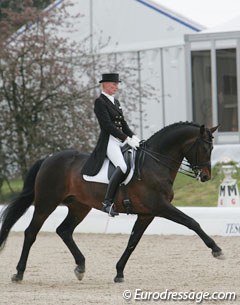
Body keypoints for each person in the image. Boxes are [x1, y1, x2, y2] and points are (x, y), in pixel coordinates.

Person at [81, 73, 140, 216]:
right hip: (109, 141)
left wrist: (134, 136)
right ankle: (107, 202)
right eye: (114, 84)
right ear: (105, 84)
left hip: (120, 140)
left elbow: (122, 123)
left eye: (117, 84)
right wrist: (126, 138)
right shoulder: (100, 102)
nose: (116, 87)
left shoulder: (116, 102)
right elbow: (107, 125)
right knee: (123, 166)